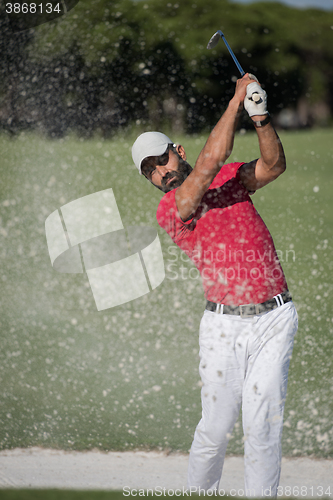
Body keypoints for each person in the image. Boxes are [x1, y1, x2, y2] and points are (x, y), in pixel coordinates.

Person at [131, 73, 298, 497]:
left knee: (262, 426)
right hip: (223, 329)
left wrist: (260, 117)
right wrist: (236, 100)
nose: (160, 172)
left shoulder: (230, 177)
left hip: (275, 319)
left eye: (162, 160)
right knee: (216, 430)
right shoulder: (173, 207)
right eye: (150, 171)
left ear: (176, 150)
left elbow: (273, 165)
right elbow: (208, 163)